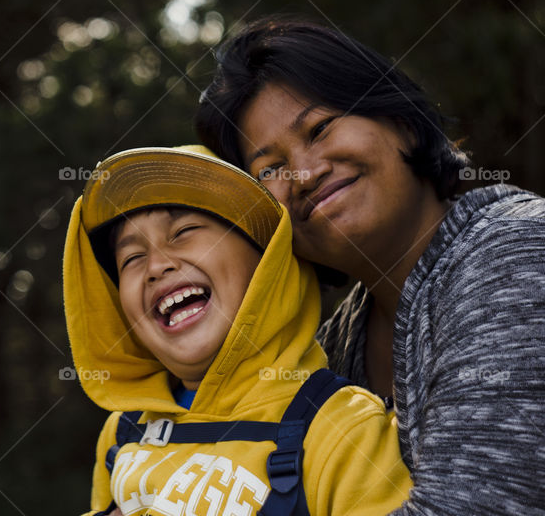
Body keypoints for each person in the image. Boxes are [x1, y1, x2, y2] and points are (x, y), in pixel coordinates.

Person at [195, 16, 545, 514]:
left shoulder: (515, 252)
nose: (305, 174)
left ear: (397, 118)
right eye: (269, 169)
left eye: (319, 128)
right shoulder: (329, 349)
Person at [63, 145, 411, 516]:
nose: (157, 265)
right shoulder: (122, 433)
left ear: (267, 260)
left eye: (184, 231)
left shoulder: (344, 430)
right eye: (131, 258)